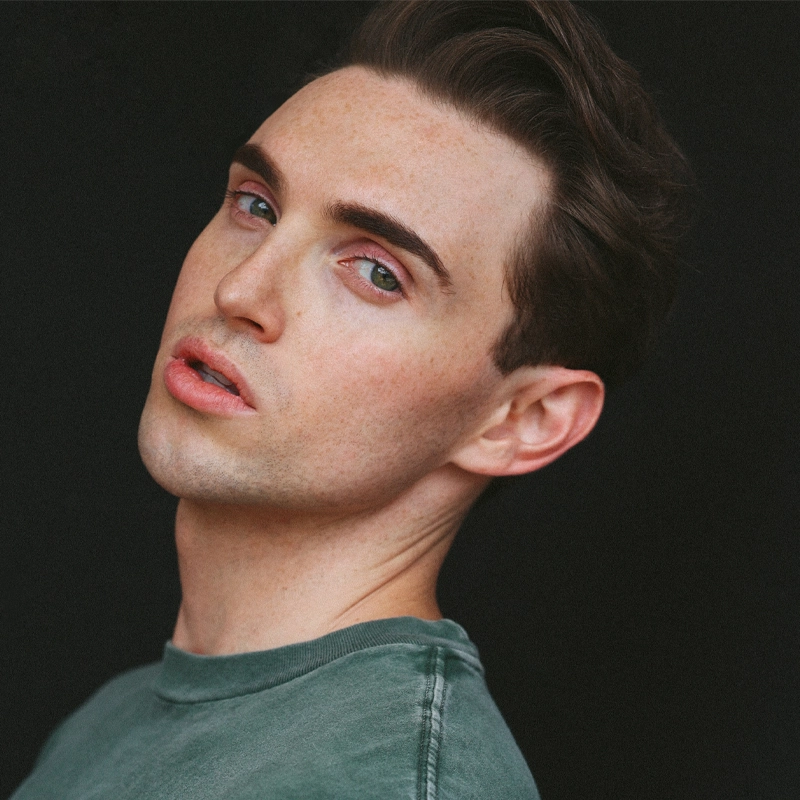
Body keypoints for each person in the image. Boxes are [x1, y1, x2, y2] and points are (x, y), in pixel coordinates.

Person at [11, 2, 689, 798]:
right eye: (257, 205)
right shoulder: (115, 720)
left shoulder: (393, 784)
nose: (240, 289)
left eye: (375, 272)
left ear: (522, 421)